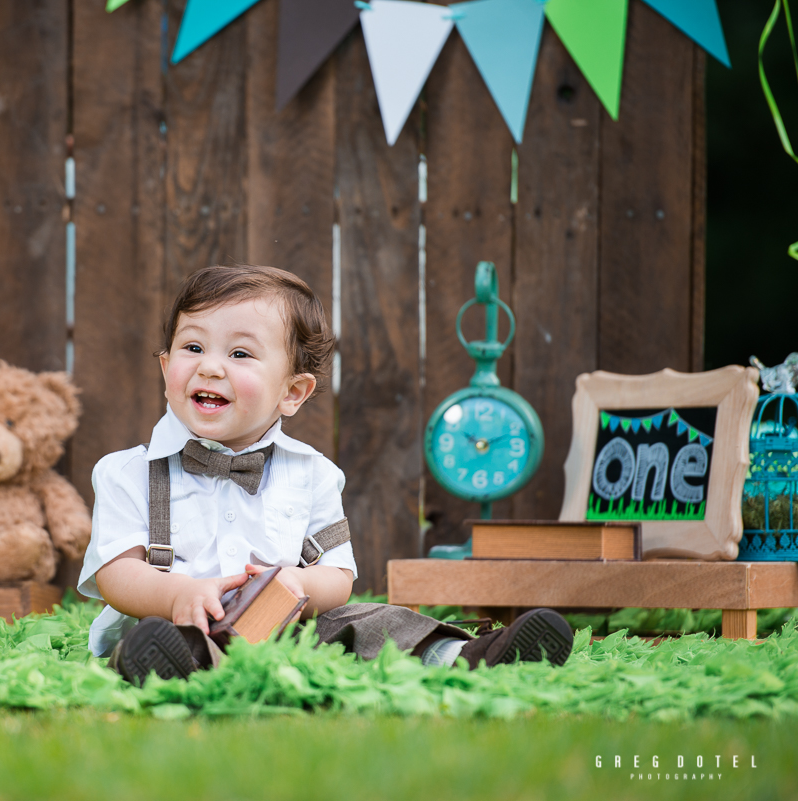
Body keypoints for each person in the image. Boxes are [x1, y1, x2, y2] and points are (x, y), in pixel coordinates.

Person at [77, 264, 573, 685]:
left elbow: (339, 576)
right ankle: (165, 665)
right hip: (175, 624)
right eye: (192, 348)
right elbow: (116, 574)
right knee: (167, 642)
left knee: (369, 622)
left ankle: (464, 656)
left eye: (240, 353)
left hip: (286, 629)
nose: (209, 368)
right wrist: (177, 595)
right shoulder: (128, 472)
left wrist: (297, 583)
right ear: (166, 368)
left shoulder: (312, 474)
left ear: (292, 392)